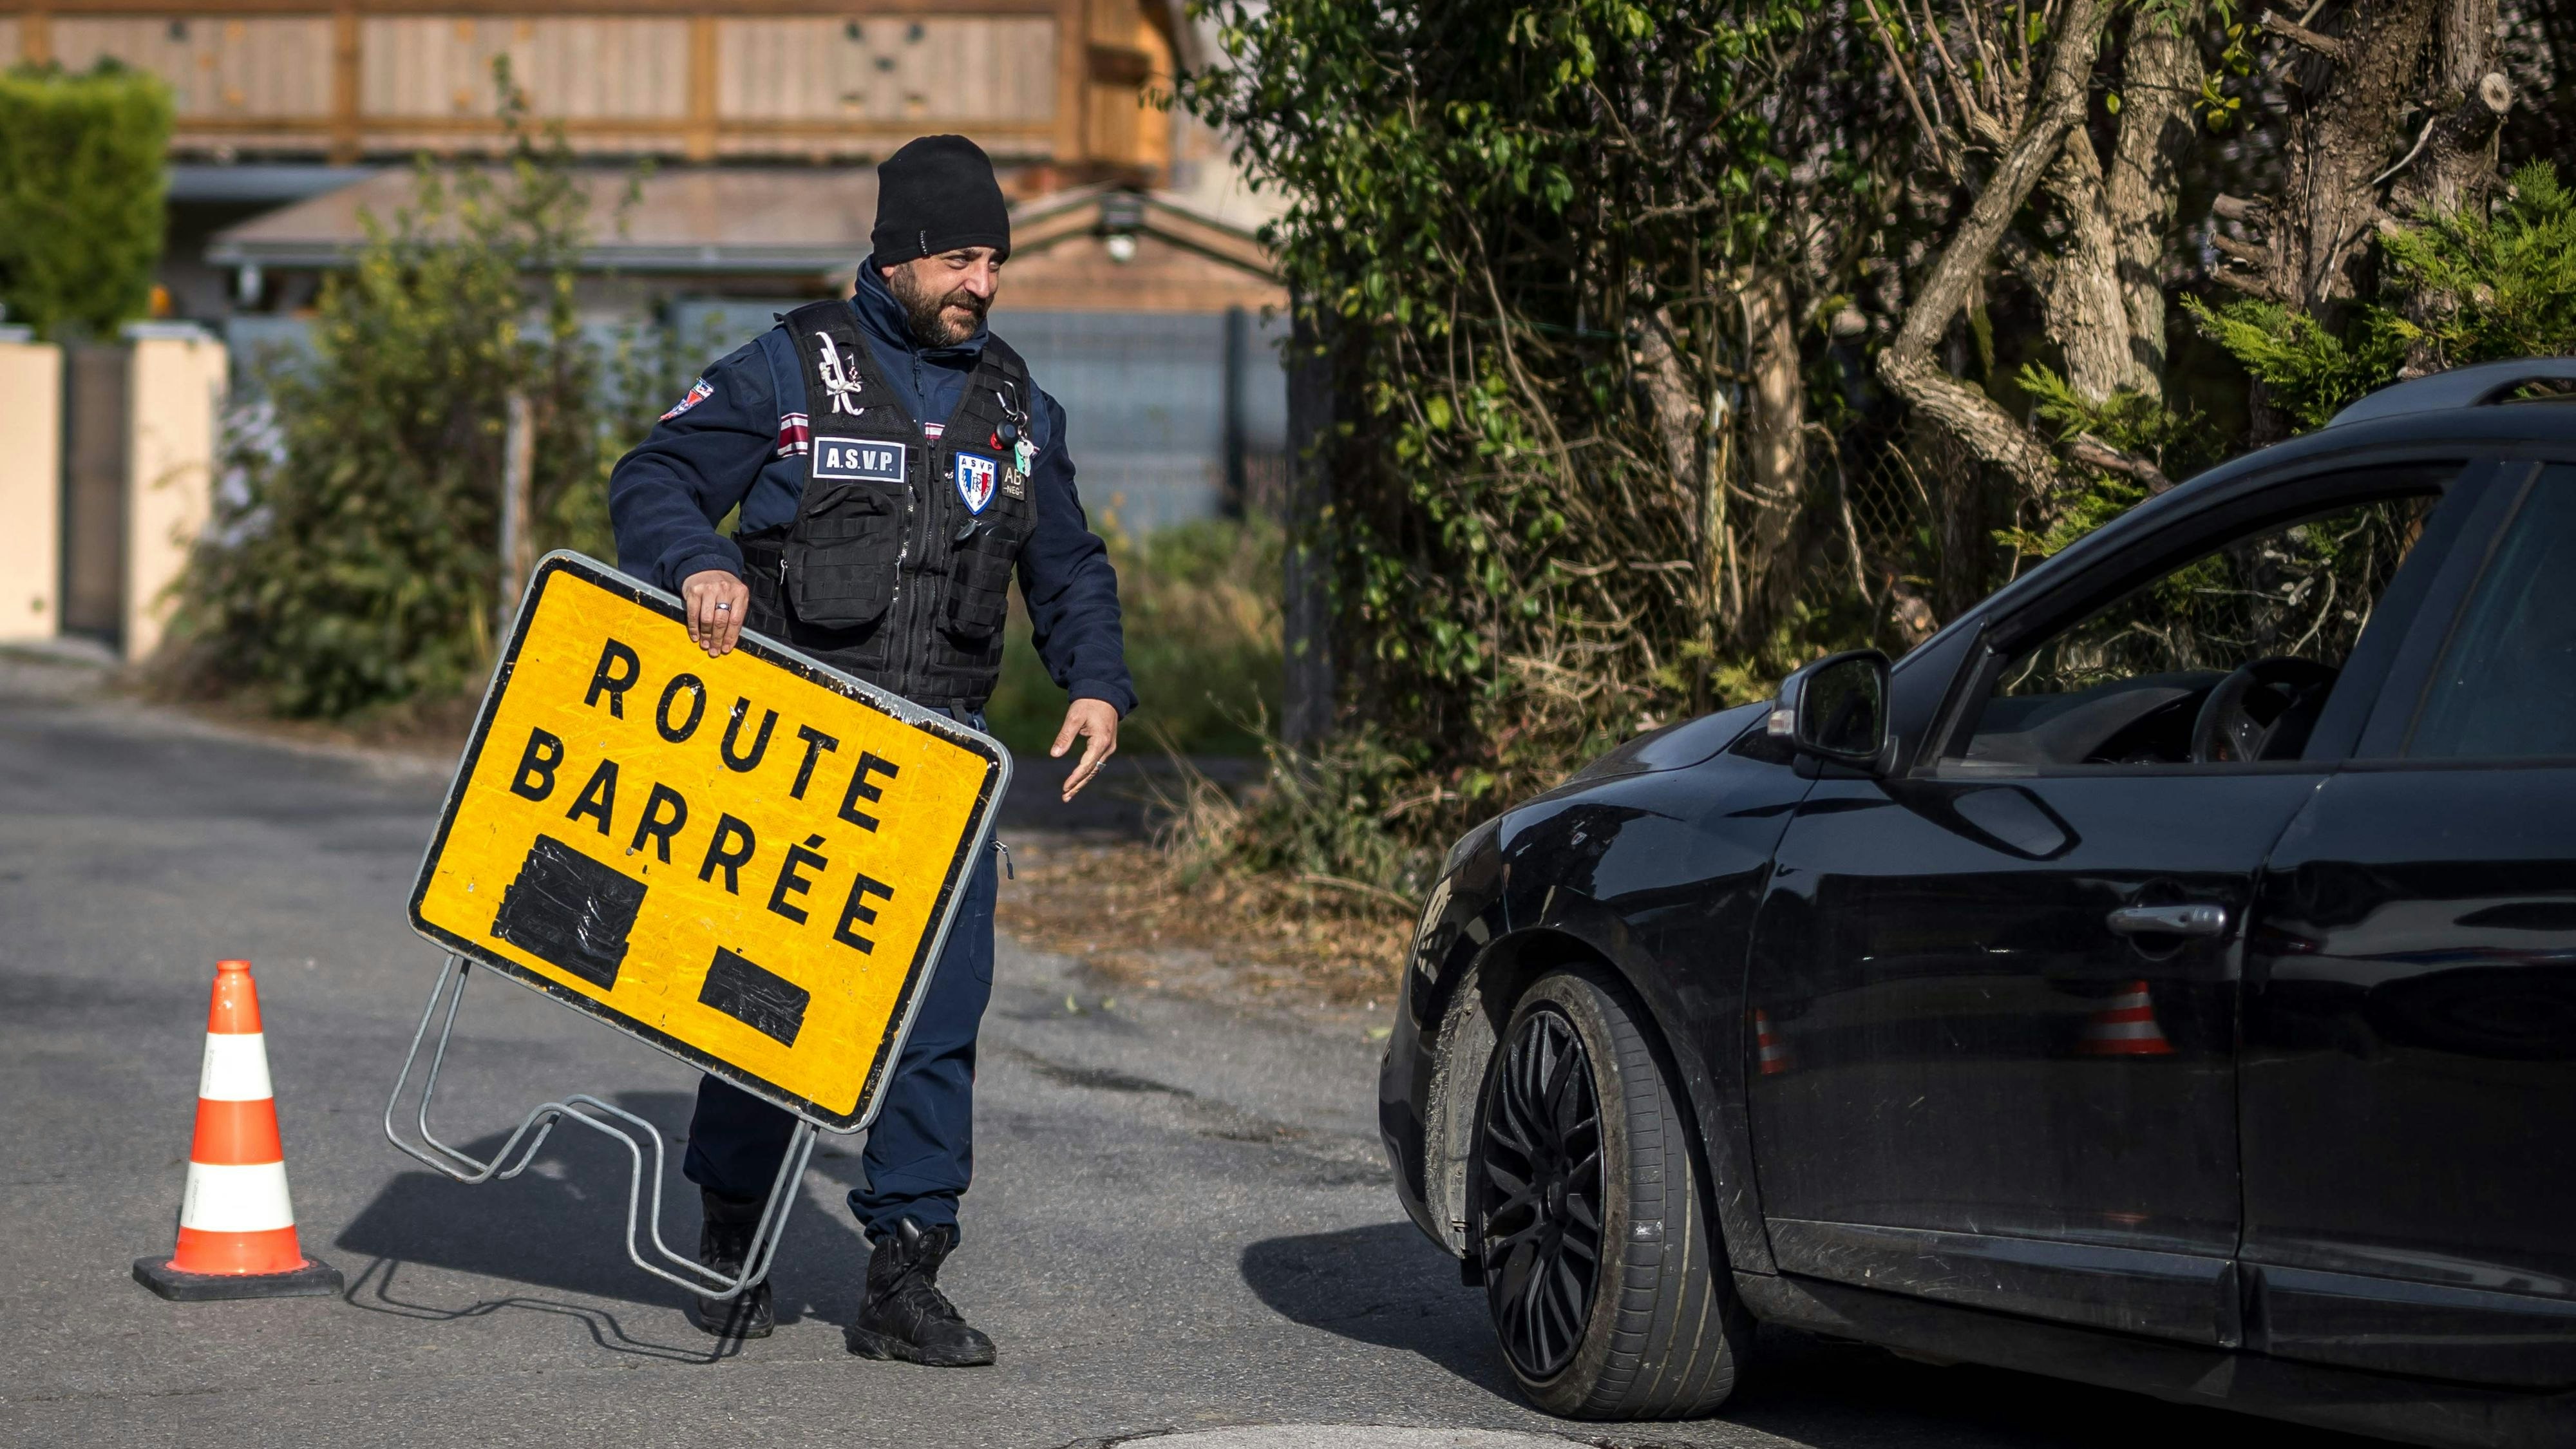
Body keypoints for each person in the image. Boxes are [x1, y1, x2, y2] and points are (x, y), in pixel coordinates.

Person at [606, 133, 1132, 1365]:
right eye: (960, 257)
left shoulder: (1017, 406)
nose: (983, 284)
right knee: (760, 1006)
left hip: (942, 776)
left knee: (938, 1020)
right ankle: (731, 1230)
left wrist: (1097, 683)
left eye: (995, 260)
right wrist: (701, 560)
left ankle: (904, 1269)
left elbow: (1068, 567)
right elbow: (655, 477)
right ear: (897, 255)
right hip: (791, 761)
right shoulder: (790, 371)